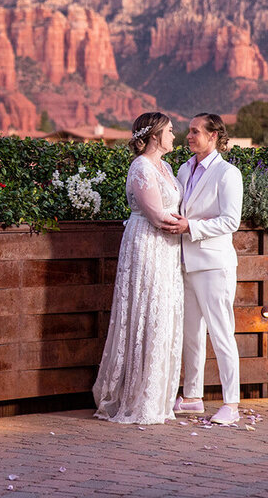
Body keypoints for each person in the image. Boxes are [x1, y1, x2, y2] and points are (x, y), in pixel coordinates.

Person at [92, 111, 184, 425]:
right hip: (148, 243)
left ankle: (158, 396)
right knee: (147, 311)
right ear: (156, 134)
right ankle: (138, 396)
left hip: (168, 249)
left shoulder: (167, 167)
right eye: (171, 130)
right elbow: (158, 216)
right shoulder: (141, 166)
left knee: (163, 313)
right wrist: (190, 226)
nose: (175, 135)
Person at [161, 113, 244, 426]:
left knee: (222, 334)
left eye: (195, 132)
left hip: (213, 265)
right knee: (192, 335)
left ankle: (231, 404)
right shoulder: (184, 168)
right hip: (185, 262)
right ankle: (193, 397)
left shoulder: (228, 173)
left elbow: (230, 221)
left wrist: (189, 227)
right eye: (189, 131)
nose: (189, 136)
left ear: (214, 136)